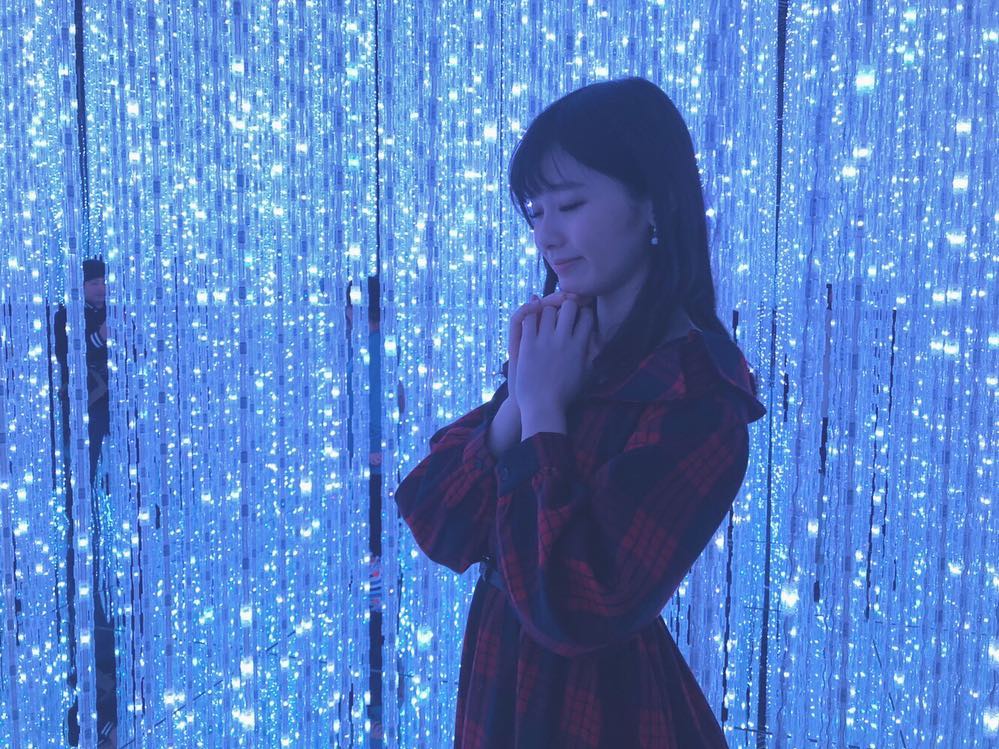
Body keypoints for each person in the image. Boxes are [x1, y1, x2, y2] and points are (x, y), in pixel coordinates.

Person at [393, 77, 766, 748]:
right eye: (535, 211)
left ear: (651, 202)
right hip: (501, 681)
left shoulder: (698, 395)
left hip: (598, 707)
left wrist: (540, 408)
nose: (547, 234)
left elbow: (574, 603)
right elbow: (437, 520)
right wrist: (521, 402)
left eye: (568, 203)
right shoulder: (562, 342)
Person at [54, 257, 117, 746]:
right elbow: (67, 356)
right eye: (94, 282)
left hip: (114, 415)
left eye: (102, 282)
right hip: (83, 417)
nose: (100, 289)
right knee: (84, 487)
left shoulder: (116, 311)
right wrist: (99, 338)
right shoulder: (66, 316)